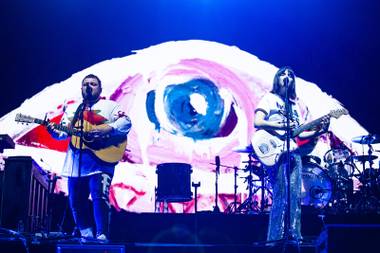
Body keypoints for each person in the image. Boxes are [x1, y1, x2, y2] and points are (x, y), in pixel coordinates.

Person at [47, 74, 131, 242]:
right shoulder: (73, 109)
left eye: (93, 84)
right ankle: (87, 237)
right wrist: (51, 130)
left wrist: (105, 129)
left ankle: (102, 236)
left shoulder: (111, 106)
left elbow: (126, 123)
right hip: (75, 164)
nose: (89, 86)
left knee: (99, 197)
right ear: (81, 88)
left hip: (102, 161)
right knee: (76, 202)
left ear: (100, 89)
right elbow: (62, 133)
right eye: (86, 84)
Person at [253, 67, 329, 242]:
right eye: (283, 75)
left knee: (295, 196)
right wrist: (281, 126)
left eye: (290, 76)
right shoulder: (269, 99)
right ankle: (275, 239)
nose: (287, 77)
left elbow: (299, 133)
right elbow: (258, 121)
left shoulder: (294, 106)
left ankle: (294, 236)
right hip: (275, 151)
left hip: (293, 152)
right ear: (277, 79)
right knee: (281, 193)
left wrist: (319, 131)